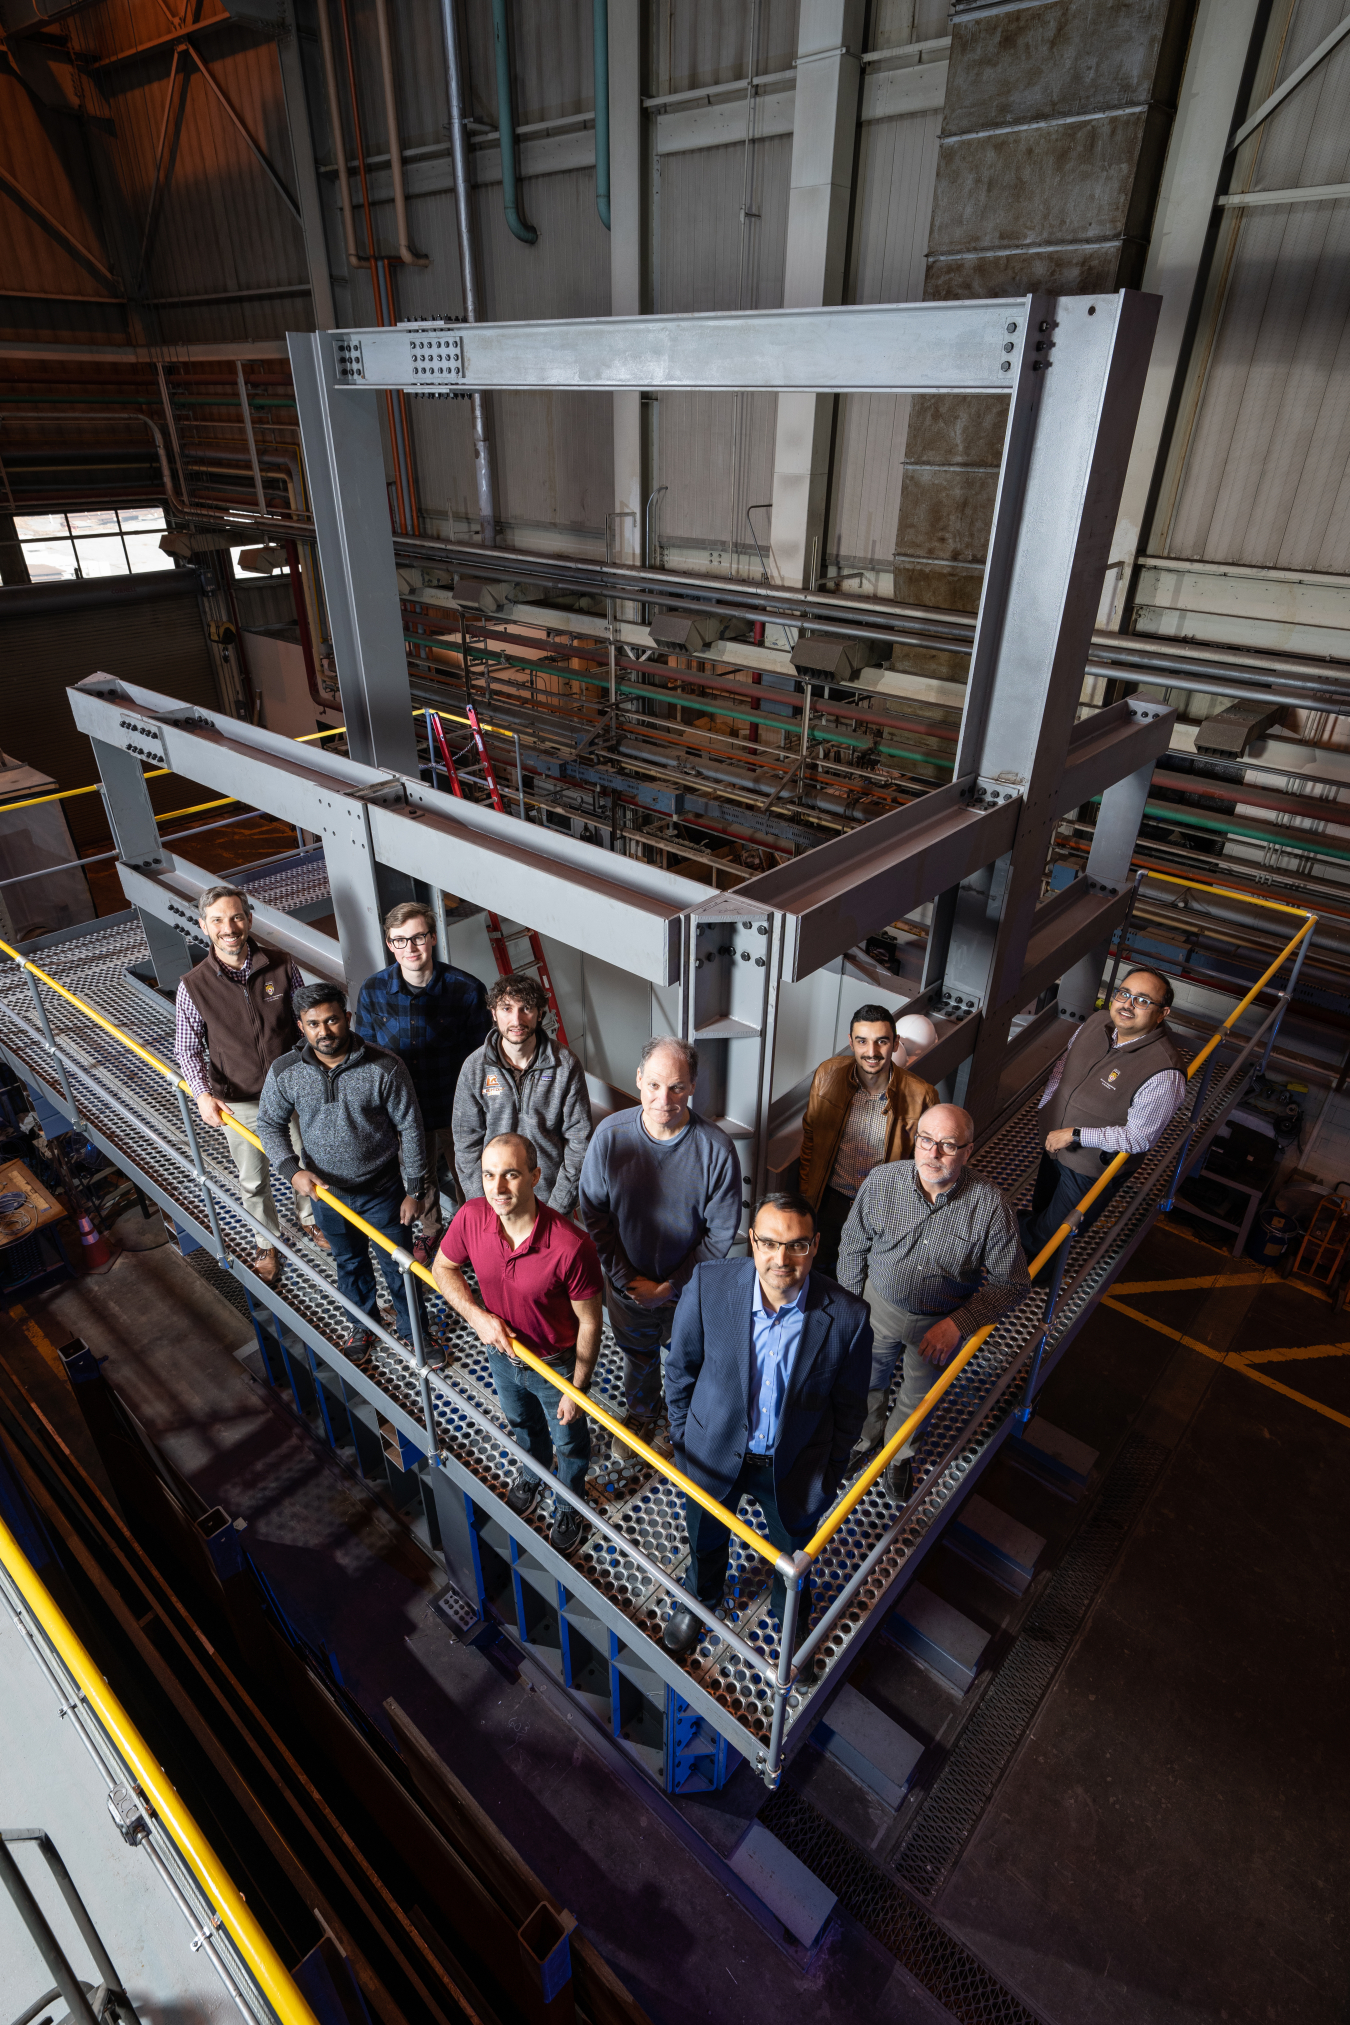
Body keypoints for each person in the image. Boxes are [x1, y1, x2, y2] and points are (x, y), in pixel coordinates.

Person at [661, 1190, 872, 1653]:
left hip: (794, 1465)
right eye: (770, 1242)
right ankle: (701, 1597)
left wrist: (831, 1469)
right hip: (712, 1449)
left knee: (794, 1558)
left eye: (796, 1244)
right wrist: (684, 1440)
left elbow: (851, 1407)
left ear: (815, 1245)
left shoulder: (849, 1317)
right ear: (752, 1240)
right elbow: (680, 1369)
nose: (782, 1258)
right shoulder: (709, 1285)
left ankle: (791, 1619)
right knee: (704, 1536)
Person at [837, 1104, 1029, 1505]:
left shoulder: (991, 1208)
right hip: (877, 1307)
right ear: (915, 1140)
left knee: (918, 1396)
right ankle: (863, 1437)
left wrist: (960, 1322)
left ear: (968, 1151)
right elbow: (853, 1247)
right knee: (865, 1379)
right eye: (926, 1140)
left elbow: (1013, 1284)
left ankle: (898, 1456)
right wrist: (853, 1309)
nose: (933, 1154)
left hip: (940, 1322)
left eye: (947, 1145)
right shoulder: (881, 1182)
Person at [433, 1133, 603, 1556]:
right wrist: (477, 1316)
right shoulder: (472, 1217)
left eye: (510, 1174)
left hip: (554, 1364)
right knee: (521, 1423)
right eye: (489, 1175)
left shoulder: (570, 1246)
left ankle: (570, 1501)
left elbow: (590, 1322)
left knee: (569, 1442)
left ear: (535, 1176)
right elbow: (443, 1266)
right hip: (501, 1352)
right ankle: (533, 1469)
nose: (498, 1188)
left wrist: (576, 1387)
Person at [578, 1037, 742, 1458]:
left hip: (687, 1292)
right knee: (638, 1356)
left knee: (689, 1359)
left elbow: (720, 1233)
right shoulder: (610, 1138)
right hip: (627, 1287)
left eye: (676, 1087)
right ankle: (643, 1412)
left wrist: (669, 1287)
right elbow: (595, 1215)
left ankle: (684, 1425)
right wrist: (627, 1278)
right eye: (653, 1085)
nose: (663, 1099)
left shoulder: (716, 1150)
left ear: (692, 1087)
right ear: (638, 1080)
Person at [257, 984, 428, 1366]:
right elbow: (269, 1123)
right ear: (301, 1026)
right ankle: (362, 1326)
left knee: (398, 1264)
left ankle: (416, 1330)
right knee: (349, 1263)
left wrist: (414, 1189)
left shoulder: (385, 1066)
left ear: (346, 1019)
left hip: (383, 1190)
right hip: (327, 1193)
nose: (324, 1031)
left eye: (332, 1020)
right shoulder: (286, 1072)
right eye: (314, 1023)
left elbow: (411, 1128)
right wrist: (291, 1170)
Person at [175, 881, 322, 1287]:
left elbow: (305, 1020)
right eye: (218, 919)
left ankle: (310, 1221)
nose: (229, 927)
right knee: (253, 1177)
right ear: (204, 926)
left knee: (304, 1162)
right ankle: (266, 1241)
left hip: (291, 1090)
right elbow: (188, 1048)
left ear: (249, 919)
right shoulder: (193, 985)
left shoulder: (280, 963)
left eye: (236, 917)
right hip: (238, 1099)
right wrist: (202, 1095)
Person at [1020, 969, 1187, 1275]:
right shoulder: (1098, 1023)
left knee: (1054, 1231)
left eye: (1142, 1000)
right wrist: (1049, 1106)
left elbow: (1139, 1138)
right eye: (1123, 993)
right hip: (1054, 1143)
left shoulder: (1164, 1071)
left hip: (1091, 1167)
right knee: (1042, 1208)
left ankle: (999, 1236)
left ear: (1162, 1013)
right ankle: (1034, 1273)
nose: (1127, 1004)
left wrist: (1075, 1134)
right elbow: (1064, 1065)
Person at [354, 900, 490, 1256]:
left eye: (417, 938)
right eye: (400, 940)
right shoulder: (373, 991)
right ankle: (432, 1231)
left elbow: (483, 1060)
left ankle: (478, 1237)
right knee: (420, 1177)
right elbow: (366, 1057)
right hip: (404, 1113)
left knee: (471, 1177)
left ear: (432, 939)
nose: (410, 948)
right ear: (389, 944)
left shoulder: (467, 990)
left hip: (456, 1109)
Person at [799, 1003, 939, 1278]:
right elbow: (811, 1140)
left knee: (866, 1280)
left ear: (895, 1043)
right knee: (817, 1274)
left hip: (880, 1206)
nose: (871, 1052)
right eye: (862, 1041)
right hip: (830, 1202)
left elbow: (925, 1167)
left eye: (882, 1041)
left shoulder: (921, 1095)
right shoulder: (827, 1075)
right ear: (851, 1042)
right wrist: (807, 1198)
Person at [453, 973, 592, 1216]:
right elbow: (466, 1145)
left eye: (526, 1008)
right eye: (506, 1008)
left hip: (550, 1200)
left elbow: (579, 1141)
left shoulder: (566, 1064)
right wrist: (483, 1205)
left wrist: (558, 1207)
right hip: (495, 1199)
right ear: (494, 1013)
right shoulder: (475, 1068)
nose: (516, 1019)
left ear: (540, 1013)